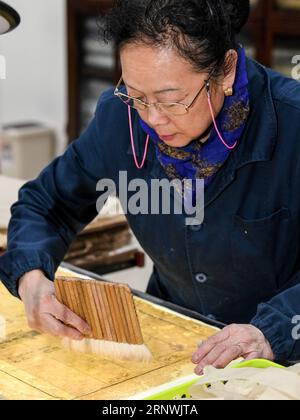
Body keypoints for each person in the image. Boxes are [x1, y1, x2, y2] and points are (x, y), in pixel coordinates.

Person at [1, 0, 300, 375]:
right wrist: (31, 277)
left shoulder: (292, 123)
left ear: (225, 70)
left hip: (282, 359)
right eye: (138, 96)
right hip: (175, 343)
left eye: (172, 100)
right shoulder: (120, 117)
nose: (153, 119)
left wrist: (271, 331)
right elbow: (47, 203)